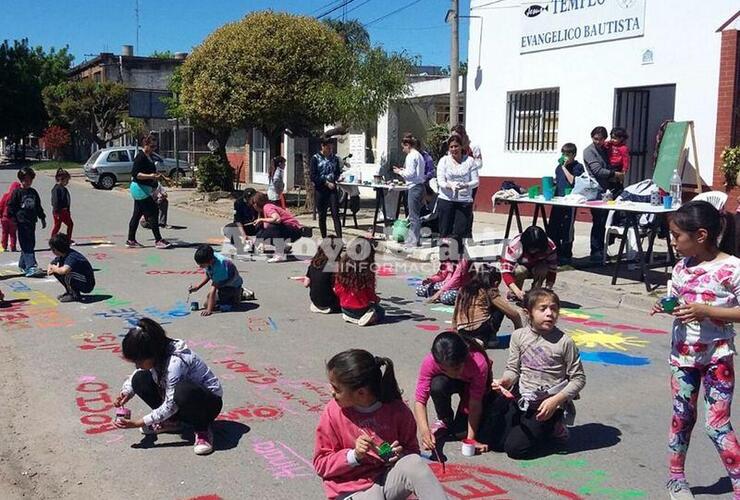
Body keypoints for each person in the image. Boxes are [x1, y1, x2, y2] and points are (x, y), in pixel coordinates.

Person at [650, 201, 740, 498]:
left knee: (717, 425)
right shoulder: (680, 267)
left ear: (700, 235)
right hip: (682, 358)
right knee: (682, 418)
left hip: (718, 357)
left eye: (677, 236)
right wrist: (665, 306)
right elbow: (676, 300)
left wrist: (706, 310)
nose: (673, 242)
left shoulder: (732, 268)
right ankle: (676, 478)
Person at [313, 349, 446, 500]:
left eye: (336, 389)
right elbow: (320, 464)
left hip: (384, 483)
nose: (332, 392)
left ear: (361, 393)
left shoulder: (397, 411)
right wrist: (353, 455)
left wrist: (400, 455)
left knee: (413, 463)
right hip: (351, 493)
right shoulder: (333, 412)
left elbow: (412, 452)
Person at [489, 289, 586, 459]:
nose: (550, 313)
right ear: (528, 313)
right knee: (494, 442)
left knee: (515, 450)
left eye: (554, 308)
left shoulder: (564, 342)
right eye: (543, 309)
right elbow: (513, 369)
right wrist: (504, 381)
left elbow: (578, 379)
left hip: (547, 404)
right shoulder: (518, 336)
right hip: (523, 397)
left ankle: (555, 428)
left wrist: (555, 401)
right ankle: (536, 427)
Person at [113, 318, 223, 456]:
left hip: (207, 405)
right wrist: (126, 392)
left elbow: (171, 405)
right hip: (180, 400)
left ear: (152, 354)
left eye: (138, 361)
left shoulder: (176, 362)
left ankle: (202, 429)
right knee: (139, 378)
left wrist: (139, 423)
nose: (137, 365)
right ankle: (172, 421)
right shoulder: (158, 351)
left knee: (183, 391)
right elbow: (137, 373)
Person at [414, 332, 492, 456]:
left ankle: (462, 421)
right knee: (437, 385)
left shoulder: (478, 363)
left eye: (456, 368)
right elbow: (420, 400)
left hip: (468, 387)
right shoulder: (430, 361)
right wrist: (425, 431)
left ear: (465, 357)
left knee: (461, 433)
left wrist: (470, 439)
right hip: (447, 383)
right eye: (444, 369)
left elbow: (475, 403)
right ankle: (445, 419)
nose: (452, 373)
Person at [453, 263, 523, 348]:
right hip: (480, 329)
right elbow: (514, 314)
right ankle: (489, 339)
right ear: (496, 283)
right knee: (500, 308)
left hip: (462, 331)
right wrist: (519, 334)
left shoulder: (463, 289)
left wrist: (455, 331)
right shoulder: (490, 290)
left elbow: (455, 313)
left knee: (490, 306)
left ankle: (472, 340)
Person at [583, 126, 624, 262]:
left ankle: (603, 249)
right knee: (598, 221)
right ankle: (596, 251)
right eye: (595, 139)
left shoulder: (605, 149)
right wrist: (614, 173)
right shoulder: (589, 151)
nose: (598, 142)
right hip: (596, 191)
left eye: (600, 139)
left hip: (607, 190)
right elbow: (597, 170)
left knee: (607, 221)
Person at [436, 133, 479, 260]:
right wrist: (450, 186)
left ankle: (458, 260)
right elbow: (440, 181)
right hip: (446, 199)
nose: (454, 149)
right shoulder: (444, 161)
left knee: (459, 232)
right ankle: (444, 260)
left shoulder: (470, 161)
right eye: (451, 147)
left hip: (463, 201)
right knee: (445, 231)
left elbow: (476, 181)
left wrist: (465, 185)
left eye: (456, 146)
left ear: (461, 147)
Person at [127, 135, 171, 249]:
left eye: (155, 146)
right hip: (139, 188)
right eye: (151, 146)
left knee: (136, 215)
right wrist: (150, 176)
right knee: (153, 211)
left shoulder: (149, 156)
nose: (153, 148)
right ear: (145, 144)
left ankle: (130, 239)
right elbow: (136, 174)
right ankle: (158, 240)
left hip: (144, 188)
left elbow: (152, 172)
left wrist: (162, 177)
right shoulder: (140, 157)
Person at [334, 237, 384, 326]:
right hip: (361, 309)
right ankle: (366, 317)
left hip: (344, 307)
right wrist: (376, 299)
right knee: (381, 311)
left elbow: (337, 289)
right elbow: (370, 294)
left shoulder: (342, 267)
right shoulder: (368, 271)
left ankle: (351, 317)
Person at [547, 143, 584, 264]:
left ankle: (566, 253)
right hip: (558, 200)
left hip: (570, 200)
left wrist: (564, 167)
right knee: (554, 226)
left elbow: (574, 181)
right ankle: (555, 251)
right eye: (563, 154)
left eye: (567, 154)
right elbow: (558, 181)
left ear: (573, 155)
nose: (565, 157)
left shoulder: (578, 167)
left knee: (567, 227)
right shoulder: (558, 168)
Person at [500, 226, 558, 302]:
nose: (535, 251)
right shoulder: (515, 246)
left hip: (537, 268)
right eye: (533, 249)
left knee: (543, 268)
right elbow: (506, 272)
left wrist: (548, 289)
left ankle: (535, 293)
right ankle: (514, 293)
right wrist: (517, 292)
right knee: (520, 270)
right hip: (520, 268)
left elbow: (552, 269)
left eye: (538, 249)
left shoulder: (550, 247)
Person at [7, 167, 46, 276]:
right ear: (21, 180)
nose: (28, 182)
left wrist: (42, 217)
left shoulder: (33, 192)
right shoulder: (17, 192)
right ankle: (31, 266)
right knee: (27, 244)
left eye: (30, 180)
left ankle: (23, 264)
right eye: (26, 180)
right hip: (21, 222)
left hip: (31, 222)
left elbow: (38, 206)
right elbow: (11, 206)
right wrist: (12, 219)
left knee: (30, 243)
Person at [189, 244, 245, 316]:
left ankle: (237, 294)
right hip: (224, 283)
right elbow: (209, 274)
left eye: (201, 265)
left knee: (211, 304)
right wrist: (197, 287)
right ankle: (235, 294)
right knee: (209, 301)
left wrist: (209, 310)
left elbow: (213, 289)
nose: (200, 266)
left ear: (209, 261)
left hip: (231, 286)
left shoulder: (219, 267)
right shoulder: (210, 257)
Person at [250, 192, 303, 263]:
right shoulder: (264, 210)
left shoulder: (267, 207)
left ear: (256, 203)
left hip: (293, 230)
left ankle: (279, 254)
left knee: (272, 228)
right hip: (288, 230)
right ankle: (284, 246)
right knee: (262, 234)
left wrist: (261, 219)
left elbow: (277, 219)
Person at [393, 134, 425, 248]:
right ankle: (416, 239)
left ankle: (413, 241)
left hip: (414, 187)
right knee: (415, 214)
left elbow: (410, 174)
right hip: (420, 185)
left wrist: (399, 172)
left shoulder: (411, 156)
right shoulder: (419, 155)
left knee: (413, 216)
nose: (403, 149)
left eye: (403, 147)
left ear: (408, 145)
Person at [46, 234, 95, 302]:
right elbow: (51, 264)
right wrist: (50, 269)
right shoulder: (63, 254)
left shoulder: (72, 257)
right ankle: (70, 292)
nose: (52, 251)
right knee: (58, 271)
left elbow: (64, 270)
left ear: (57, 249)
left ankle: (74, 295)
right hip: (79, 278)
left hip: (87, 283)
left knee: (68, 274)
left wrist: (55, 269)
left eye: (53, 249)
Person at [311, 138, 343, 239]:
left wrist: (339, 177)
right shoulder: (315, 158)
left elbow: (337, 172)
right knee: (322, 215)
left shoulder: (335, 158)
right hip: (321, 189)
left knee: (335, 213)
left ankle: (339, 238)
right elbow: (313, 176)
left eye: (331, 148)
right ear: (323, 146)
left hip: (332, 189)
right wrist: (325, 182)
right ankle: (324, 237)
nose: (330, 150)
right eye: (328, 148)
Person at [305, 236, 343, 314]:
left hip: (315, 300)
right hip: (330, 302)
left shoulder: (314, 263)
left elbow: (306, 284)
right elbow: (337, 287)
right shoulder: (335, 265)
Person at [450, 124, 482, 200]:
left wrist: (467, 166)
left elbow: (479, 163)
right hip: (455, 180)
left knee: (467, 204)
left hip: (469, 181)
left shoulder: (473, 146)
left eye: (456, 136)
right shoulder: (453, 147)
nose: (454, 138)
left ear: (462, 135)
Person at [50, 168, 74, 242]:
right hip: (59, 211)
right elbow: (55, 201)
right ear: (61, 179)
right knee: (60, 225)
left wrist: (68, 210)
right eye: (67, 180)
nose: (67, 182)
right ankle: (53, 239)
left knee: (67, 224)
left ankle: (67, 239)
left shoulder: (64, 189)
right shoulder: (56, 189)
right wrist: (56, 212)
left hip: (64, 211)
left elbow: (67, 200)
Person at [0, 181, 20, 252]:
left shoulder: (6, 195)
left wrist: (1, 215)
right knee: (13, 233)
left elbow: (1, 206)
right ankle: (13, 247)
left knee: (4, 232)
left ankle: (4, 246)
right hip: (13, 219)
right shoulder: (18, 197)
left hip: (4, 217)